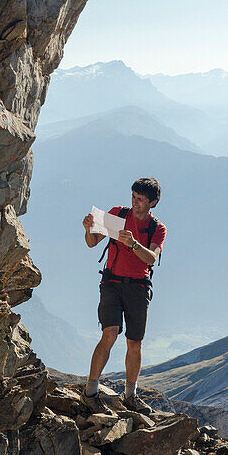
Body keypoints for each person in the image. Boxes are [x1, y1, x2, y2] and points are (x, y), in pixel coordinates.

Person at [81, 177, 166, 414]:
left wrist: (134, 244)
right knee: (109, 333)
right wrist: (88, 228)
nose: (135, 202)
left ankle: (130, 395)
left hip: (138, 287)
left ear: (153, 202)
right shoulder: (117, 214)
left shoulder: (157, 228)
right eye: (133, 197)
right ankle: (90, 392)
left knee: (134, 342)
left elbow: (152, 258)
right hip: (111, 283)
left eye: (140, 199)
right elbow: (92, 243)